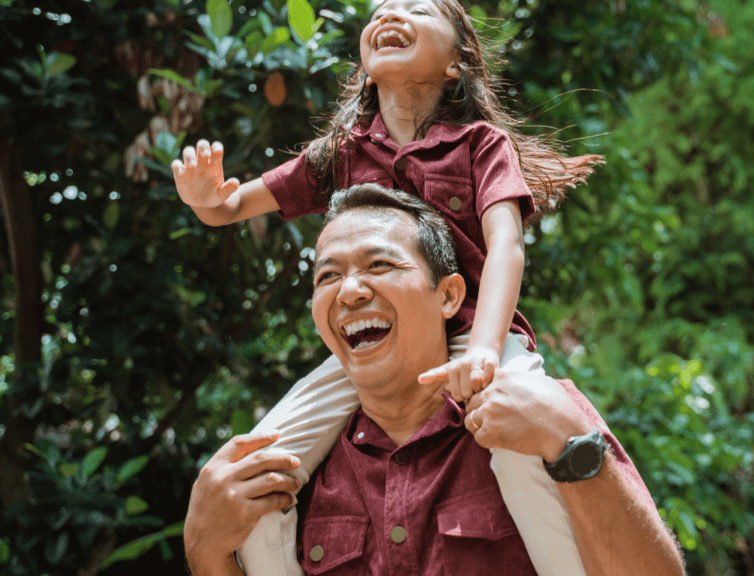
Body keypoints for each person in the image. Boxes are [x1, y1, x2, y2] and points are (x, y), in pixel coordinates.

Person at [171, 1, 602, 573]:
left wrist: (484, 352)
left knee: (527, 445)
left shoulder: (480, 144)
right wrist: (204, 198)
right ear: (365, 62)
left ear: (456, 63)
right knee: (258, 467)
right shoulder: (343, 152)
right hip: (375, 346)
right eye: (379, 10)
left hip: (479, 334)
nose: (390, 13)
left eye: (416, 7)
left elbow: (507, 246)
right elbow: (230, 206)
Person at [183, 185, 685, 576]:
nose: (350, 291)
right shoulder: (292, 474)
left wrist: (570, 441)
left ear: (448, 297)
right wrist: (207, 554)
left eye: (379, 264)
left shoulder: (542, 418)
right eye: (327, 276)